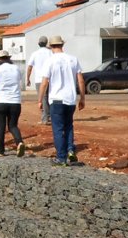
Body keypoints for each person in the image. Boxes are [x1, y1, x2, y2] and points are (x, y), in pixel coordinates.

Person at [39, 35, 86, 166]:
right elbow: (81, 80)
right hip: (70, 99)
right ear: (62, 45)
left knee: (58, 128)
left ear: (51, 47)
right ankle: (71, 150)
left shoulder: (50, 61)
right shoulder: (73, 59)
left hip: (56, 99)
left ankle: (61, 157)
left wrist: (39, 99)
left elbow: (44, 83)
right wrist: (82, 98)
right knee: (69, 126)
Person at [0, 49, 26, 157]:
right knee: (13, 125)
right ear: (8, 58)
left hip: (1, 101)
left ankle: (1, 150)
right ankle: (19, 142)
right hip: (15, 101)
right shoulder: (16, 69)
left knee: (0, 126)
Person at [26, 36, 53, 124]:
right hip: (50, 78)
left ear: (38, 43)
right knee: (49, 97)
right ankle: (49, 116)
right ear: (46, 43)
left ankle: (45, 118)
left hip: (39, 79)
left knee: (43, 98)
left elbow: (30, 67)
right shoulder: (50, 53)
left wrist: (28, 78)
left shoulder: (35, 54)